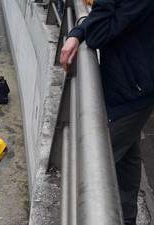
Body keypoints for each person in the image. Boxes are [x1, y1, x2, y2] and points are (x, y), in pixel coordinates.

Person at [60, 1, 154, 224]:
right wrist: (78, 31)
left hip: (134, 90)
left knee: (93, 165)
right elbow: (105, 21)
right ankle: (128, 219)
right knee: (127, 161)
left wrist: (85, 30)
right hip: (130, 86)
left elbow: (99, 33)